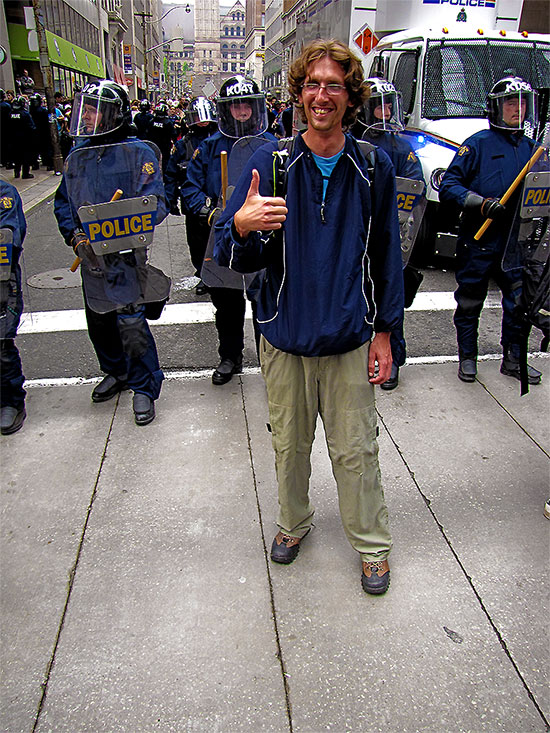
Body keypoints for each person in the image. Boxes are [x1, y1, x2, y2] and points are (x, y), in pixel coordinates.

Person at [214, 40, 403, 594]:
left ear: (350, 97)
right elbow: (232, 253)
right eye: (313, 84)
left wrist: (386, 333)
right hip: (284, 333)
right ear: (299, 94)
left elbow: (388, 255)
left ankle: (372, 545)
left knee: (356, 451)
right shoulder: (270, 162)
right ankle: (293, 523)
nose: (323, 95)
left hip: (348, 336)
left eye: (335, 85)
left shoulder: (373, 165)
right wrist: (243, 226)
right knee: (288, 446)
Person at [54, 81, 168, 425]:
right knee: (99, 319)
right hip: (91, 257)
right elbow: (64, 202)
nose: (85, 116)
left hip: (125, 256)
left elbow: (156, 203)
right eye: (83, 109)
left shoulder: (138, 153)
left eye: (92, 109)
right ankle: (116, 371)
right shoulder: (79, 156)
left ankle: (145, 387)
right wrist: (74, 236)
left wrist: (121, 224)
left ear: (111, 113)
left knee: (131, 322)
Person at [439, 76, 542, 385]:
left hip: (517, 241)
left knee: (519, 302)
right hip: (480, 237)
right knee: (470, 299)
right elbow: (449, 185)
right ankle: (467, 357)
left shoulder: (534, 150)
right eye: (511, 102)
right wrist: (480, 204)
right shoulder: (477, 144)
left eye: (523, 103)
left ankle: (513, 358)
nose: (518, 109)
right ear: (497, 108)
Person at [181, 76, 276, 385]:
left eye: (246, 103)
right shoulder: (209, 147)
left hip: (262, 234)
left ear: (255, 106)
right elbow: (190, 186)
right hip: (222, 233)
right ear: (226, 109)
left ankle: (270, 355)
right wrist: (208, 213)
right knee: (225, 299)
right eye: (235, 104)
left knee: (264, 296)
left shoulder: (272, 145)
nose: (241, 110)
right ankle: (230, 355)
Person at [354, 78, 425, 390]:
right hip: (355, 235)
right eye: (376, 105)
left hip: (389, 233)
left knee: (388, 296)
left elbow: (414, 186)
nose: (383, 111)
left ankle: (393, 357)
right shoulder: (352, 142)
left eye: (387, 104)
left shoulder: (401, 147)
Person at [164, 96, 217, 296]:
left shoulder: (220, 140)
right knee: (196, 244)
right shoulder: (183, 145)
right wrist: (170, 199)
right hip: (193, 204)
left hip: (217, 201)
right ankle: (203, 274)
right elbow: (171, 174)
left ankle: (217, 274)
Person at [0, 181, 27, 435]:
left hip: (1, 280)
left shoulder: (4, 195)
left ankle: (11, 400)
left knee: (1, 344)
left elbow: (9, 237)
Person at [144, 101, 178, 173]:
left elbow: (147, 132)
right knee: (165, 162)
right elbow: (173, 134)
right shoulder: (168, 122)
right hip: (165, 146)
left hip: (153, 145)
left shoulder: (151, 121)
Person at [8, 96, 36, 179]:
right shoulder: (25, 114)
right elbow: (32, 127)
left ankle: (16, 172)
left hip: (14, 139)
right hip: (25, 139)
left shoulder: (10, 114)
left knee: (17, 156)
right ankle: (25, 173)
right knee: (25, 157)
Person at [29, 93, 53, 170]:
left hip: (34, 133)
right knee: (46, 149)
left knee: (35, 150)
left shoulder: (30, 111)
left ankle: (35, 165)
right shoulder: (42, 110)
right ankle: (49, 164)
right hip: (43, 132)